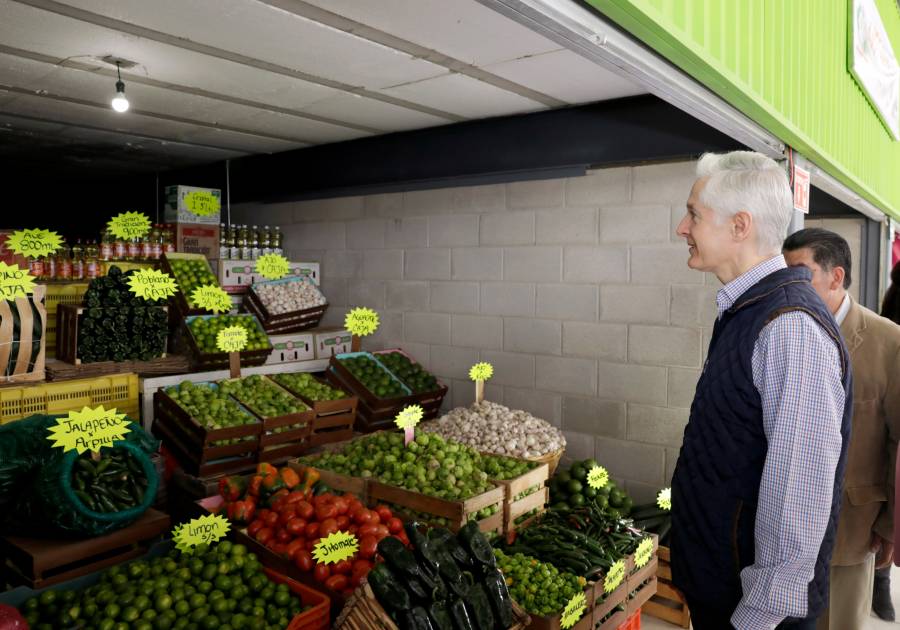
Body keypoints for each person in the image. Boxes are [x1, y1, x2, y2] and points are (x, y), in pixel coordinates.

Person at [671, 151, 852, 630]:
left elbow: (798, 499)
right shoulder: (749, 310)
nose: (681, 228)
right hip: (723, 594)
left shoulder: (789, 326)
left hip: (752, 617)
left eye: (693, 214)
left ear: (739, 226)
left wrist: (751, 621)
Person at [783, 229, 900, 629]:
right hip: (787, 519)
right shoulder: (787, 330)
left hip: (853, 525)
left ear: (835, 277)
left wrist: (889, 526)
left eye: (800, 274)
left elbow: (898, 442)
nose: (789, 286)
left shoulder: (888, 341)